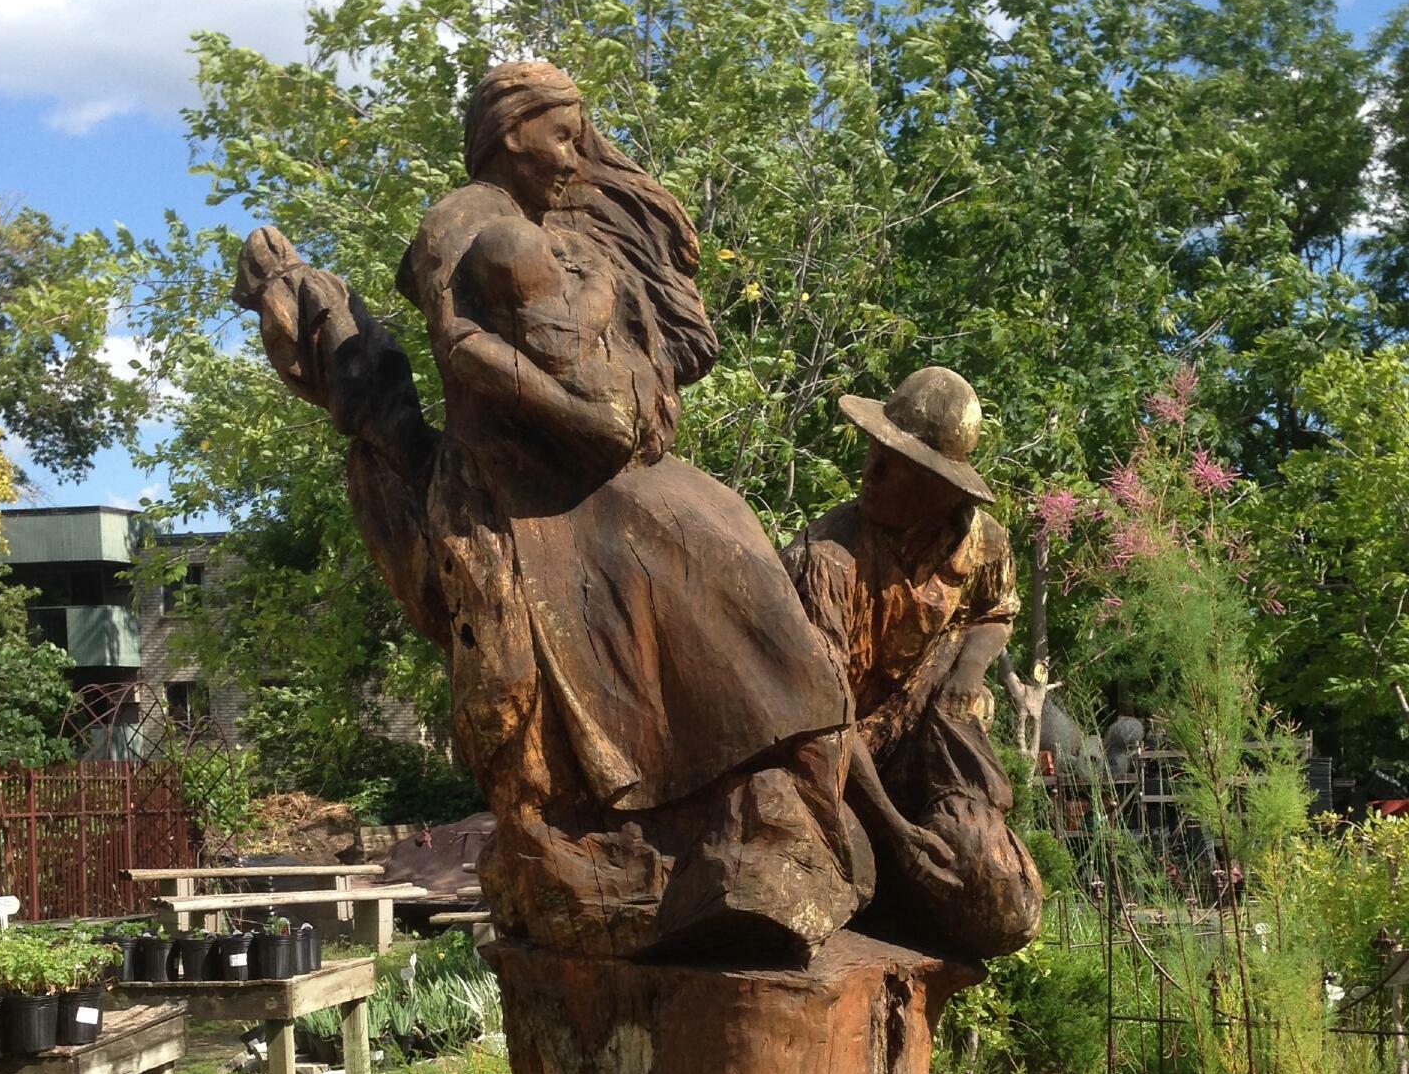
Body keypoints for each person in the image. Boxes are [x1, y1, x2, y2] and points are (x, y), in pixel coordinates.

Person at [233, 62, 866, 965]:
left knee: (729, 555)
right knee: (693, 570)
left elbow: (635, 371)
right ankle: (661, 838)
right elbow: (545, 386)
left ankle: (757, 817)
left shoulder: (542, 228)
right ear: (509, 133)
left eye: (581, 136)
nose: (577, 155)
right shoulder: (469, 226)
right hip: (522, 495)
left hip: (583, 475)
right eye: (562, 135)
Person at [784, 367, 1042, 960]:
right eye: (874, 453)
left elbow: (996, 613)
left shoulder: (981, 541)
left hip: (926, 755)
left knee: (1007, 905)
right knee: (825, 870)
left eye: (893, 464)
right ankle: (878, 874)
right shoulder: (827, 557)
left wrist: (966, 672)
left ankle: (906, 882)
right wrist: (895, 833)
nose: (869, 474)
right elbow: (823, 715)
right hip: (836, 764)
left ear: (942, 489)